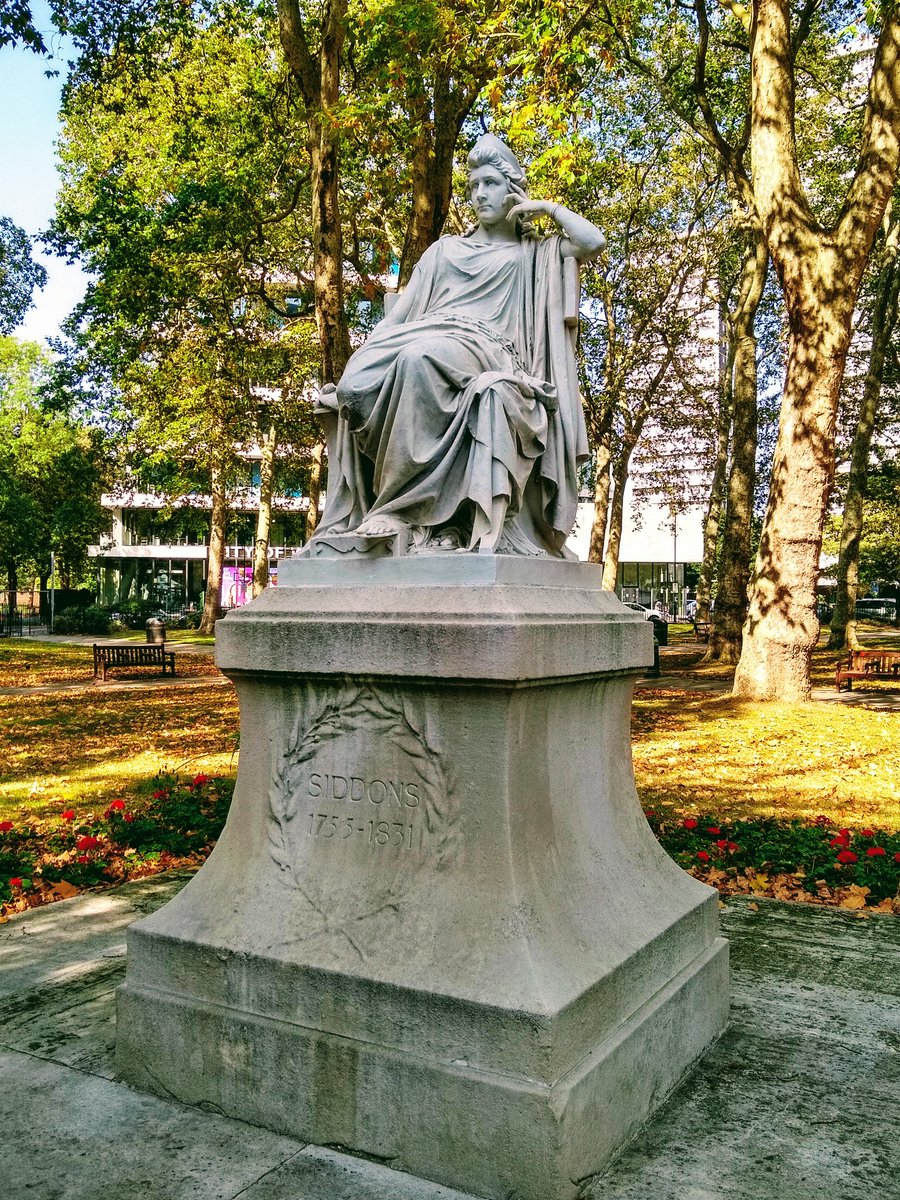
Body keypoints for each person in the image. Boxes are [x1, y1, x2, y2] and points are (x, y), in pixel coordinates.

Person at [309, 133, 605, 557]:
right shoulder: (444, 251)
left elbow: (592, 242)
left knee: (418, 359)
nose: (479, 194)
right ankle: (423, 514)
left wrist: (547, 209)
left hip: (486, 349)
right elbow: (397, 318)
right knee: (358, 385)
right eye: (472, 187)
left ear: (513, 190)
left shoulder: (534, 254)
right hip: (425, 334)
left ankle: (398, 509)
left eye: (490, 183)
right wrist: (349, 373)